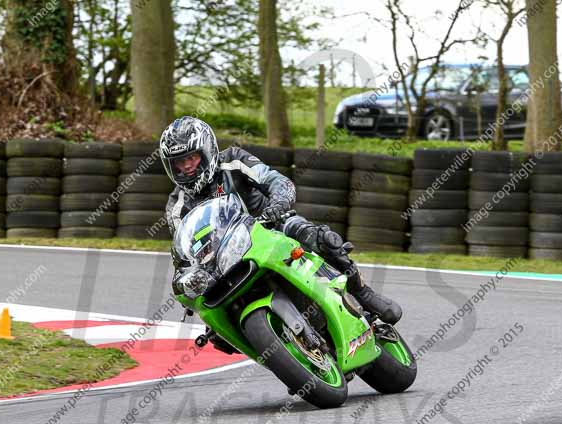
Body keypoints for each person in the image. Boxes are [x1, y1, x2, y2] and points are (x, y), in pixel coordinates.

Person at [160, 116, 402, 325]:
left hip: (270, 226)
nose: (187, 167)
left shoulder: (233, 160)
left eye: (191, 158)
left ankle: (362, 292)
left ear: (207, 150)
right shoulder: (177, 206)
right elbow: (185, 253)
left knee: (323, 239)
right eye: (179, 163)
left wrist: (277, 205)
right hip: (226, 260)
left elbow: (277, 181)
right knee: (215, 329)